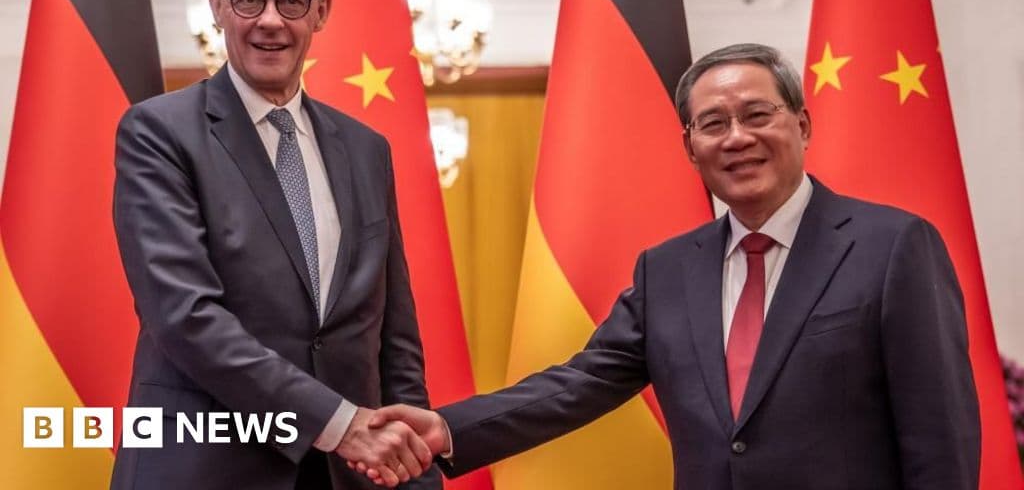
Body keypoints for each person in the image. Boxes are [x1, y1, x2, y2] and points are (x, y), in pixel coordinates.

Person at [361, 43, 981, 489]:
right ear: (691, 148)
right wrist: (443, 428)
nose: (736, 137)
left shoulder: (894, 245)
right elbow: (578, 384)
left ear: (802, 123)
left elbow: (939, 435)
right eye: (712, 124)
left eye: (757, 114)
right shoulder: (668, 271)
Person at [111, 0, 437, 490]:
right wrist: (336, 424)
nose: (269, 20)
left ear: (321, 11)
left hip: (349, 475)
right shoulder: (158, 133)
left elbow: (392, 329)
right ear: (217, 6)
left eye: (291, 0)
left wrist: (412, 468)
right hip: (206, 468)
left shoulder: (366, 149)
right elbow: (184, 316)